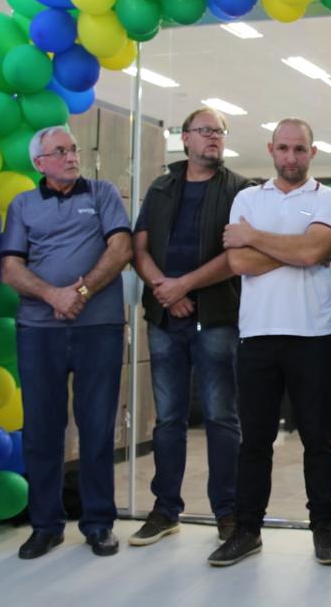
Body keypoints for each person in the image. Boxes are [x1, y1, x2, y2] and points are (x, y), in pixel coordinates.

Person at [209, 118, 331, 567]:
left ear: (313, 151)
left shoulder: (328, 198)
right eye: (284, 148)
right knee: (255, 441)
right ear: (271, 149)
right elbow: (238, 261)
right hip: (258, 335)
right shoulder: (247, 197)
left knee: (318, 439)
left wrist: (257, 239)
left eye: (300, 149)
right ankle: (247, 530)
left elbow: (314, 252)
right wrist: (291, 248)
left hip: (312, 335)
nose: (291, 157)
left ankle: (324, 529)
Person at [0, 127, 133, 560]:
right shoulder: (23, 205)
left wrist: (81, 292)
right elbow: (11, 269)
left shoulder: (102, 192)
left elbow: (121, 248)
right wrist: (54, 295)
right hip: (40, 332)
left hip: (100, 328)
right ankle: (45, 525)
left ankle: (98, 523)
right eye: (60, 151)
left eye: (73, 149)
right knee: (41, 431)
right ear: (39, 162)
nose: (71, 156)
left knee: (96, 428)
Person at [129, 107, 253, 547]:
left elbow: (238, 254)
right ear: (185, 138)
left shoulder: (240, 190)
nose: (213, 138)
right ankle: (165, 510)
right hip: (164, 317)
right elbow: (138, 246)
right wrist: (164, 288)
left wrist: (184, 285)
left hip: (217, 316)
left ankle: (228, 512)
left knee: (222, 417)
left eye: (219, 132)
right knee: (168, 420)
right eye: (205, 131)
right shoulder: (161, 187)